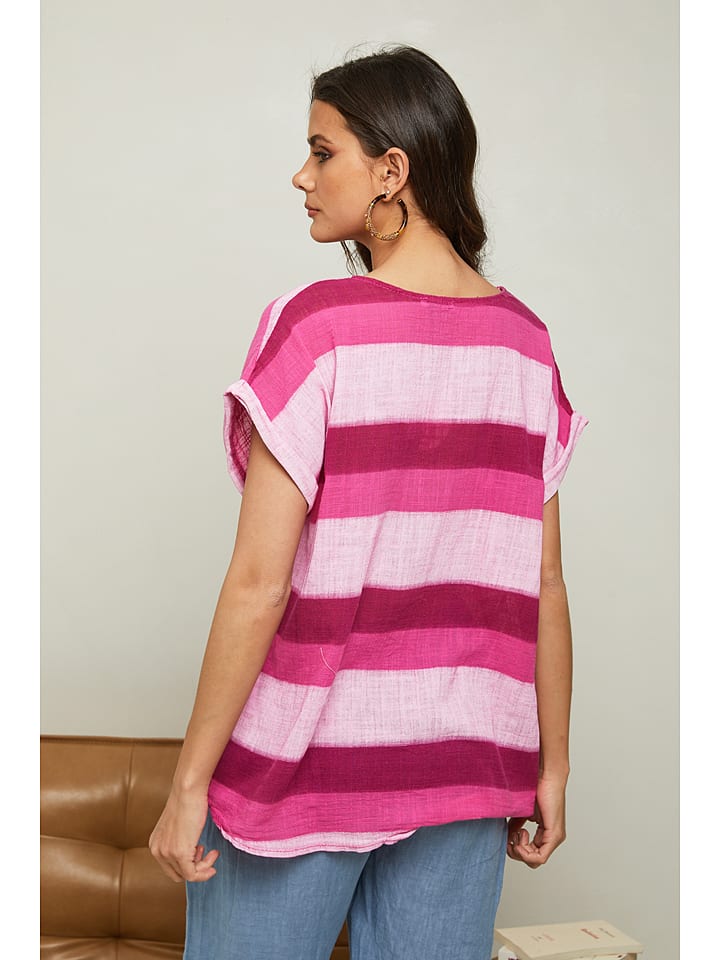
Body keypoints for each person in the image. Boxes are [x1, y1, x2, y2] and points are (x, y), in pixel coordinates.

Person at [150, 44, 588, 960]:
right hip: (467, 767)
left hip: (303, 767)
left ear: (391, 171)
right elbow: (544, 583)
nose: (301, 176)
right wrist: (552, 764)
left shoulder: (317, 328)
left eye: (323, 152)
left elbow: (260, 584)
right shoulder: (526, 345)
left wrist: (189, 783)